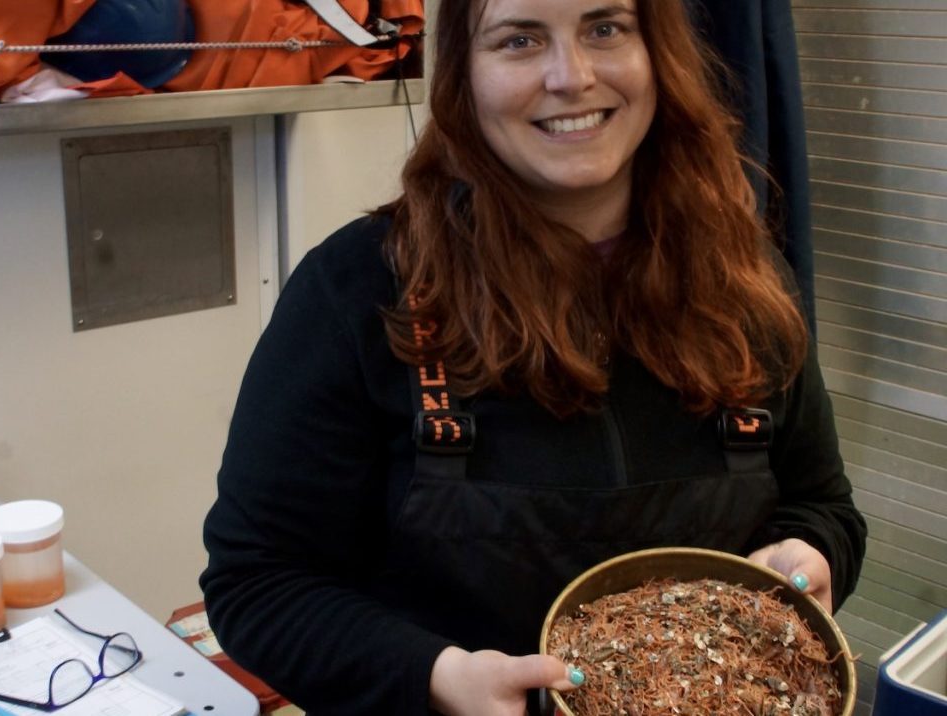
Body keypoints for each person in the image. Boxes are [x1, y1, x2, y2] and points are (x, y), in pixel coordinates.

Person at [200, 0, 867, 714]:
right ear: (464, 76)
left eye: (605, 28)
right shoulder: (358, 291)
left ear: (657, 54)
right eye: (519, 40)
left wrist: (811, 555)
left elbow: (821, 506)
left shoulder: (743, 277)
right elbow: (257, 582)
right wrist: (436, 675)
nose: (571, 75)